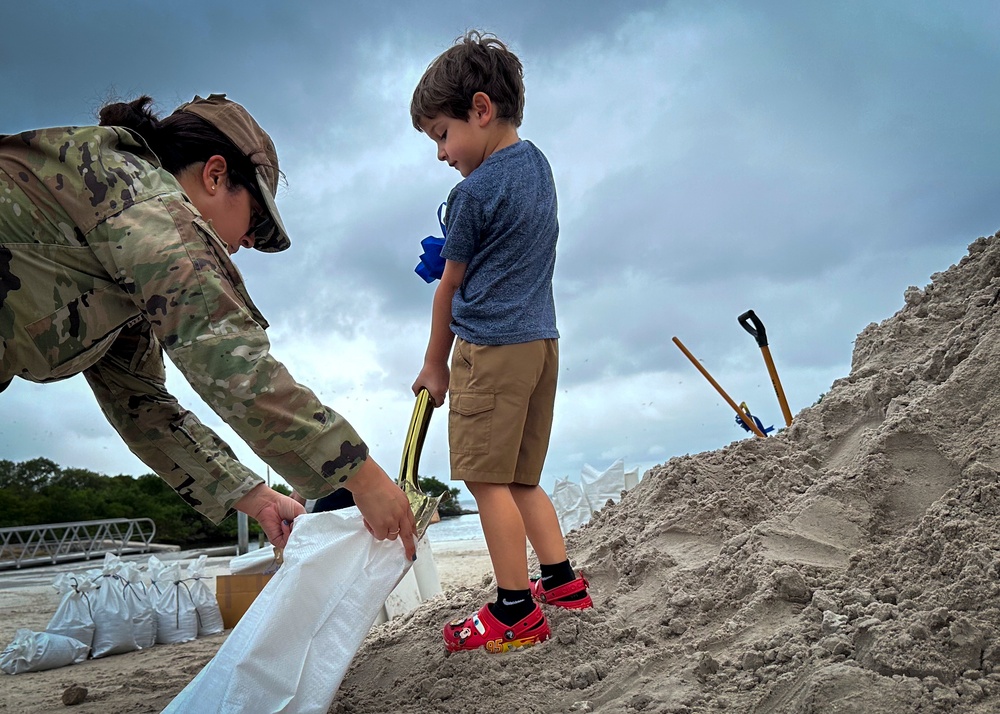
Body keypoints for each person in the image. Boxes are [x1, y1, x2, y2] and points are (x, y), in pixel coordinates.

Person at [0, 94, 416, 558]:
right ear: (215, 175)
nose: (249, 243)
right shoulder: (140, 197)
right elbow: (231, 363)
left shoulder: (121, 257)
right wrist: (362, 476)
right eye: (255, 220)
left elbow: (141, 406)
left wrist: (252, 496)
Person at [410, 31, 592, 653]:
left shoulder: (472, 192)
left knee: (487, 483)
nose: (440, 153)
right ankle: (563, 583)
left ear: (481, 110)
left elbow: (448, 290)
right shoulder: (537, 166)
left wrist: (435, 366)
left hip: (491, 351)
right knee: (522, 479)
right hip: (543, 344)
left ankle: (516, 608)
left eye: (441, 134)